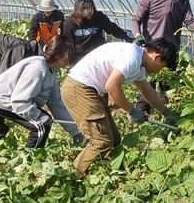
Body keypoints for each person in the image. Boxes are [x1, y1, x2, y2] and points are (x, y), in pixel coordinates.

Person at [61, 39, 179, 175]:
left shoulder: (139, 62)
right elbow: (111, 86)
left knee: (114, 139)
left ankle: (111, 175)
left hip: (91, 90)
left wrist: (166, 113)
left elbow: (147, 91)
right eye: (162, 67)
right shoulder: (133, 57)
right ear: (157, 58)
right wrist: (131, 110)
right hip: (80, 88)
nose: (159, 71)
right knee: (102, 141)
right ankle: (72, 176)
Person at [130, 0, 194, 115]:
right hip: (151, 50)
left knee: (167, 86)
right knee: (146, 84)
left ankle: (167, 117)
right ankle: (142, 118)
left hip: (171, 51)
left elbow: (189, 20)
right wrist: (138, 37)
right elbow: (136, 19)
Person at [0, 35, 86, 148]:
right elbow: (19, 101)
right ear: (58, 54)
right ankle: (31, 159)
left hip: (16, 100)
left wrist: (76, 132)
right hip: (1, 99)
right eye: (68, 55)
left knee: (44, 121)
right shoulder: (37, 69)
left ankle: (34, 155)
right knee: (41, 125)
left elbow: (56, 103)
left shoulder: (51, 72)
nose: (70, 59)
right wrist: (39, 117)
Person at [63, 0, 132, 62]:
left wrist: (126, 37)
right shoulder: (70, 23)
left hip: (99, 56)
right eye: (83, 9)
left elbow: (112, 28)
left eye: (88, 8)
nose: (86, 11)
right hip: (81, 59)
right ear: (78, 9)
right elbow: (68, 44)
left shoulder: (98, 17)